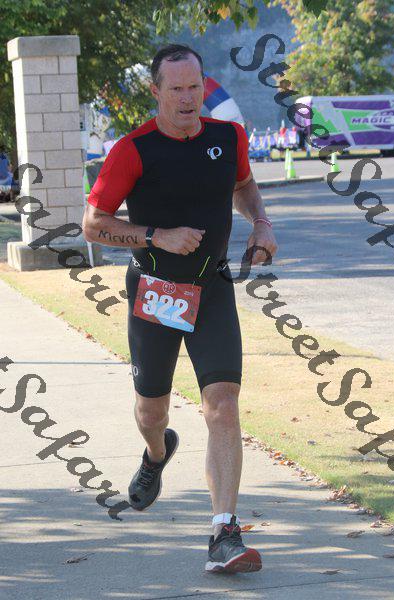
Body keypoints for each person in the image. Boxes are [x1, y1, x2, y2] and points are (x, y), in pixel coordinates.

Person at [83, 44, 277, 574]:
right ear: (156, 91)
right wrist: (156, 235)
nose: (188, 98)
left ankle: (224, 533)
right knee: (152, 412)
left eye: (195, 87)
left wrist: (261, 223)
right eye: (176, 89)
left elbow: (243, 185)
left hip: (211, 287)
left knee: (223, 405)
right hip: (156, 292)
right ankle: (156, 452)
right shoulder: (133, 149)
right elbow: (93, 225)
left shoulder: (228, 137)